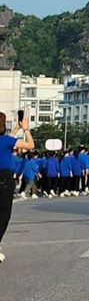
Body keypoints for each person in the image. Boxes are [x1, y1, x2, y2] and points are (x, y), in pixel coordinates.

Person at [1, 112, 35, 263]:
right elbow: (30, 145)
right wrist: (26, 130)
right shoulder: (7, 141)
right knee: (3, 214)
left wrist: (16, 129)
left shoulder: (7, 140)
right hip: (3, 179)